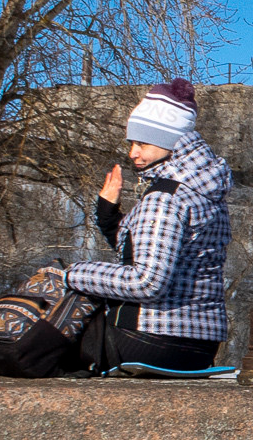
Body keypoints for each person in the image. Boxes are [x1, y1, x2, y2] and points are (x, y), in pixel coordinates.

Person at [62, 78, 232, 373]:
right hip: (198, 345)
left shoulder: (166, 196)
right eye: (131, 143)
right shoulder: (205, 191)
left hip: (151, 337)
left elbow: (147, 282)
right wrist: (108, 216)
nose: (133, 153)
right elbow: (153, 254)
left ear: (168, 142)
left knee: (43, 343)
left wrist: (69, 274)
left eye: (142, 143)